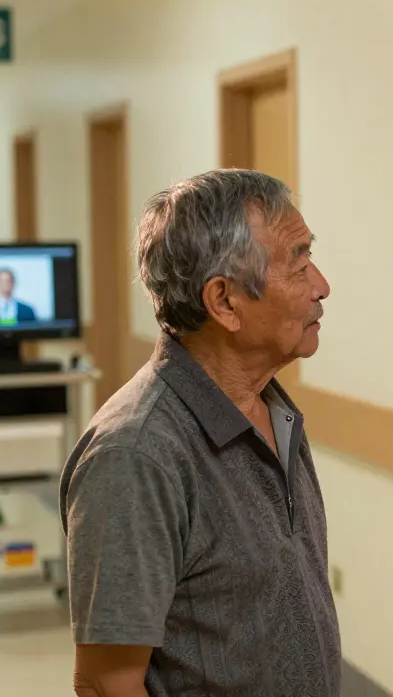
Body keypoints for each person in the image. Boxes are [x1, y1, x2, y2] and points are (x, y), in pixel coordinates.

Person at [59, 169, 340, 696]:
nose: (321, 286)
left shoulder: (273, 409)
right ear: (225, 303)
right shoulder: (136, 456)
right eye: (299, 263)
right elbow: (104, 684)